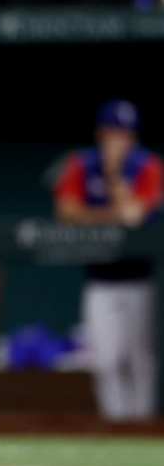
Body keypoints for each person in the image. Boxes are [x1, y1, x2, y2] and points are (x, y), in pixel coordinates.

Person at [54, 99, 162, 421]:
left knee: (139, 358)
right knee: (105, 359)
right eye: (114, 133)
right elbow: (66, 213)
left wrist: (114, 174)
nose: (120, 141)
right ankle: (116, 424)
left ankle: (141, 424)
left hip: (140, 277)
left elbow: (133, 216)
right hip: (100, 279)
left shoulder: (148, 165)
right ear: (101, 133)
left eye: (127, 135)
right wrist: (108, 216)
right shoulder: (82, 164)